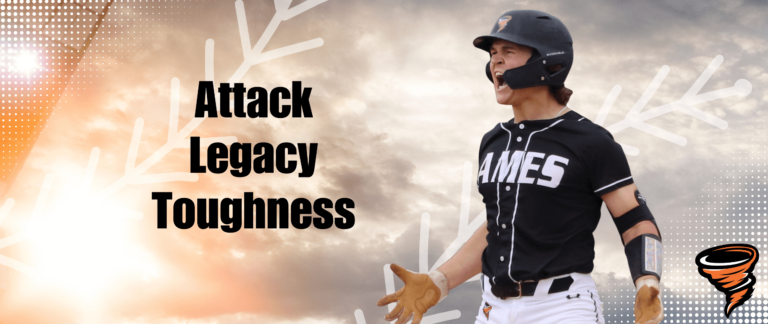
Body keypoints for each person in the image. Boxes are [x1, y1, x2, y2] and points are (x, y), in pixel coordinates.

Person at [377, 10, 664, 324]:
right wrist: (440, 281)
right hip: (493, 308)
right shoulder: (493, 141)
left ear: (548, 62)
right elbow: (499, 226)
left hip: (562, 307)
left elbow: (636, 220)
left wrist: (647, 280)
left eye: (508, 52)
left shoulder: (590, 140)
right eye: (493, 54)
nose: (495, 62)